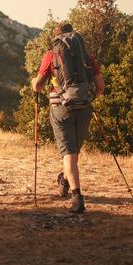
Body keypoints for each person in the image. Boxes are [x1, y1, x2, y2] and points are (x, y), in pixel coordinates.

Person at [31, 22, 105, 213]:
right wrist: (87, 98)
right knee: (74, 153)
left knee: (69, 155)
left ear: (56, 38)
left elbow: (38, 86)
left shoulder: (50, 56)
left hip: (61, 109)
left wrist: (34, 82)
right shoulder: (86, 57)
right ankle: (65, 179)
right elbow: (100, 87)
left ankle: (77, 197)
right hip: (84, 108)